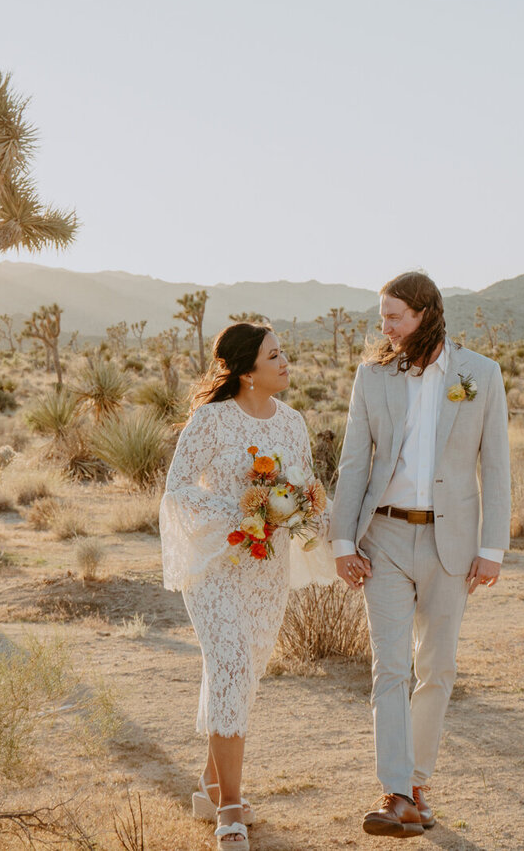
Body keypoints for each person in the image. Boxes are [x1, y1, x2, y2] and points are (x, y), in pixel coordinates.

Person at [330, 271, 511, 838]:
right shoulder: (372, 376)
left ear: (426, 312)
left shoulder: (478, 374)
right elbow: (354, 461)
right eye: (381, 317)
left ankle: (417, 786)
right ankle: (396, 793)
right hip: (382, 539)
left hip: (451, 543)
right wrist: (342, 542)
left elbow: (496, 466)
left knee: (437, 667)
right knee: (389, 667)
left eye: (394, 317)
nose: (384, 327)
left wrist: (492, 548)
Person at [161, 322, 336, 850]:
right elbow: (178, 490)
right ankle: (230, 809)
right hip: (217, 565)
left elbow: (305, 486)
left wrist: (307, 514)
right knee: (231, 665)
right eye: (274, 356)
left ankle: (211, 783)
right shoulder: (211, 421)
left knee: (244, 671)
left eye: (284, 354)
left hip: (267, 569)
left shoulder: (293, 422)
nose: (285, 363)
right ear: (245, 370)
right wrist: (242, 511)